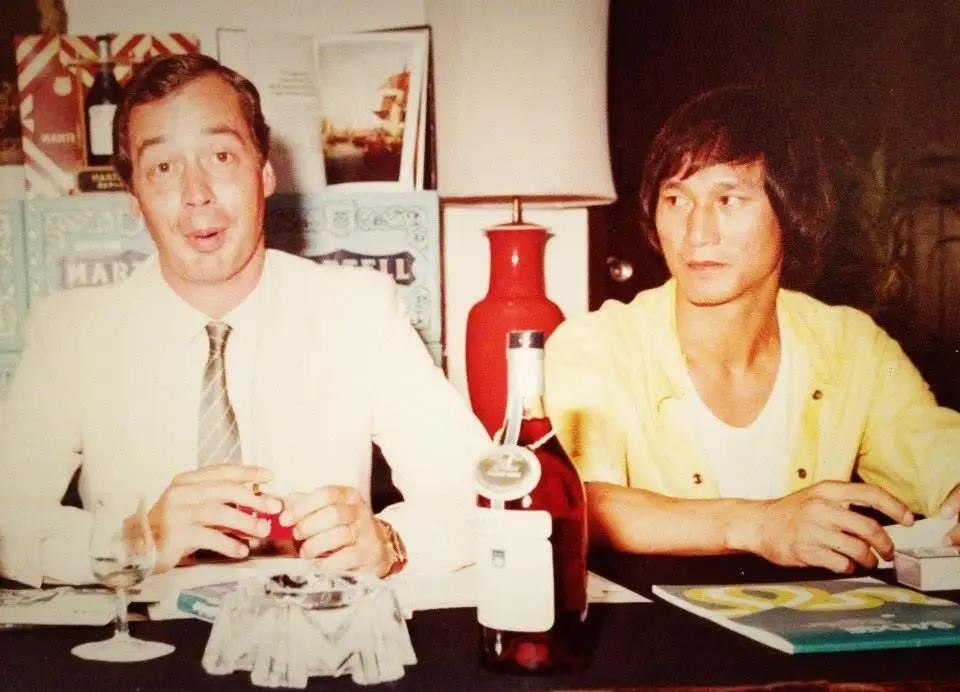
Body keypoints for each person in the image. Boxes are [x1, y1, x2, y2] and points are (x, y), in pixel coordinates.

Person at [0, 53, 490, 587]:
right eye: (163, 168)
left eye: (221, 156)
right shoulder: (71, 333)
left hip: (314, 629)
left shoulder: (360, 312)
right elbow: (7, 520)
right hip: (144, 633)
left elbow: (482, 492)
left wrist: (392, 542)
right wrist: (135, 539)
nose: (197, 194)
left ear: (265, 172)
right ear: (134, 197)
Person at [544, 85, 960, 574]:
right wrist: (759, 524)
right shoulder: (596, 345)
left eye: (728, 199)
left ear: (793, 212)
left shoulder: (849, 345)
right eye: (676, 199)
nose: (697, 233)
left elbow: (929, 447)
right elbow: (577, 501)